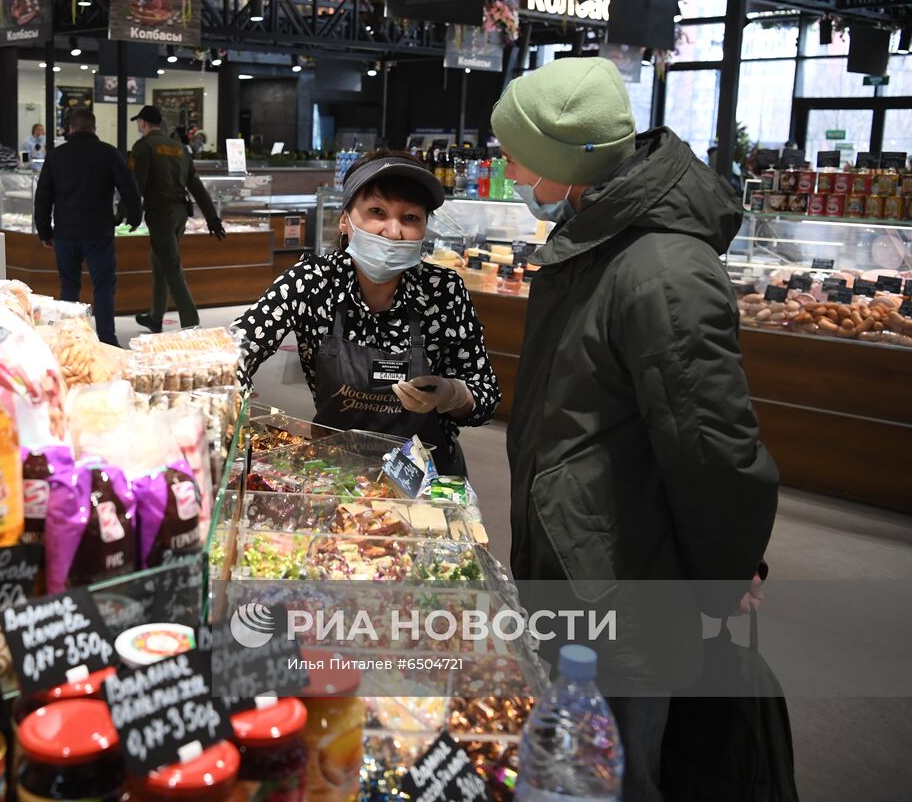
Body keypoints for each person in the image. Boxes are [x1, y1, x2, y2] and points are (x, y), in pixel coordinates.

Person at [492, 56, 779, 801]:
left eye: (516, 153)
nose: (508, 167)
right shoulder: (597, 238)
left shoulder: (660, 270)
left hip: (624, 586)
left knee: (618, 770)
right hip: (587, 557)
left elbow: (713, 447)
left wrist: (724, 571)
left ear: (566, 161)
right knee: (583, 760)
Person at [232, 152, 499, 475]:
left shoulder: (443, 290)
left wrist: (452, 394)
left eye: (410, 218)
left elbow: (485, 393)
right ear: (345, 220)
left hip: (425, 477)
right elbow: (235, 350)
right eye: (377, 212)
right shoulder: (313, 282)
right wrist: (231, 399)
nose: (393, 231)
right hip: (334, 473)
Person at [33, 108, 142, 346]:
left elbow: (43, 196)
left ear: (70, 128)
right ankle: (107, 340)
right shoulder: (108, 153)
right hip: (98, 232)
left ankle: (70, 340)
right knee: (103, 286)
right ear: (93, 128)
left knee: (69, 286)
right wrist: (134, 218)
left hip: (65, 232)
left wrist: (44, 231)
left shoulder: (56, 155)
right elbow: (129, 188)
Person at [129, 105, 225, 332]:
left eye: (138, 122)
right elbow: (196, 186)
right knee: (159, 260)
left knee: (171, 266)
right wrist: (212, 217)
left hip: (160, 214)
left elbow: (136, 185)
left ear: (143, 123)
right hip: (180, 214)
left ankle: (191, 322)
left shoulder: (144, 147)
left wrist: (129, 213)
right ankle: (155, 316)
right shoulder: (180, 148)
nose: (138, 126)